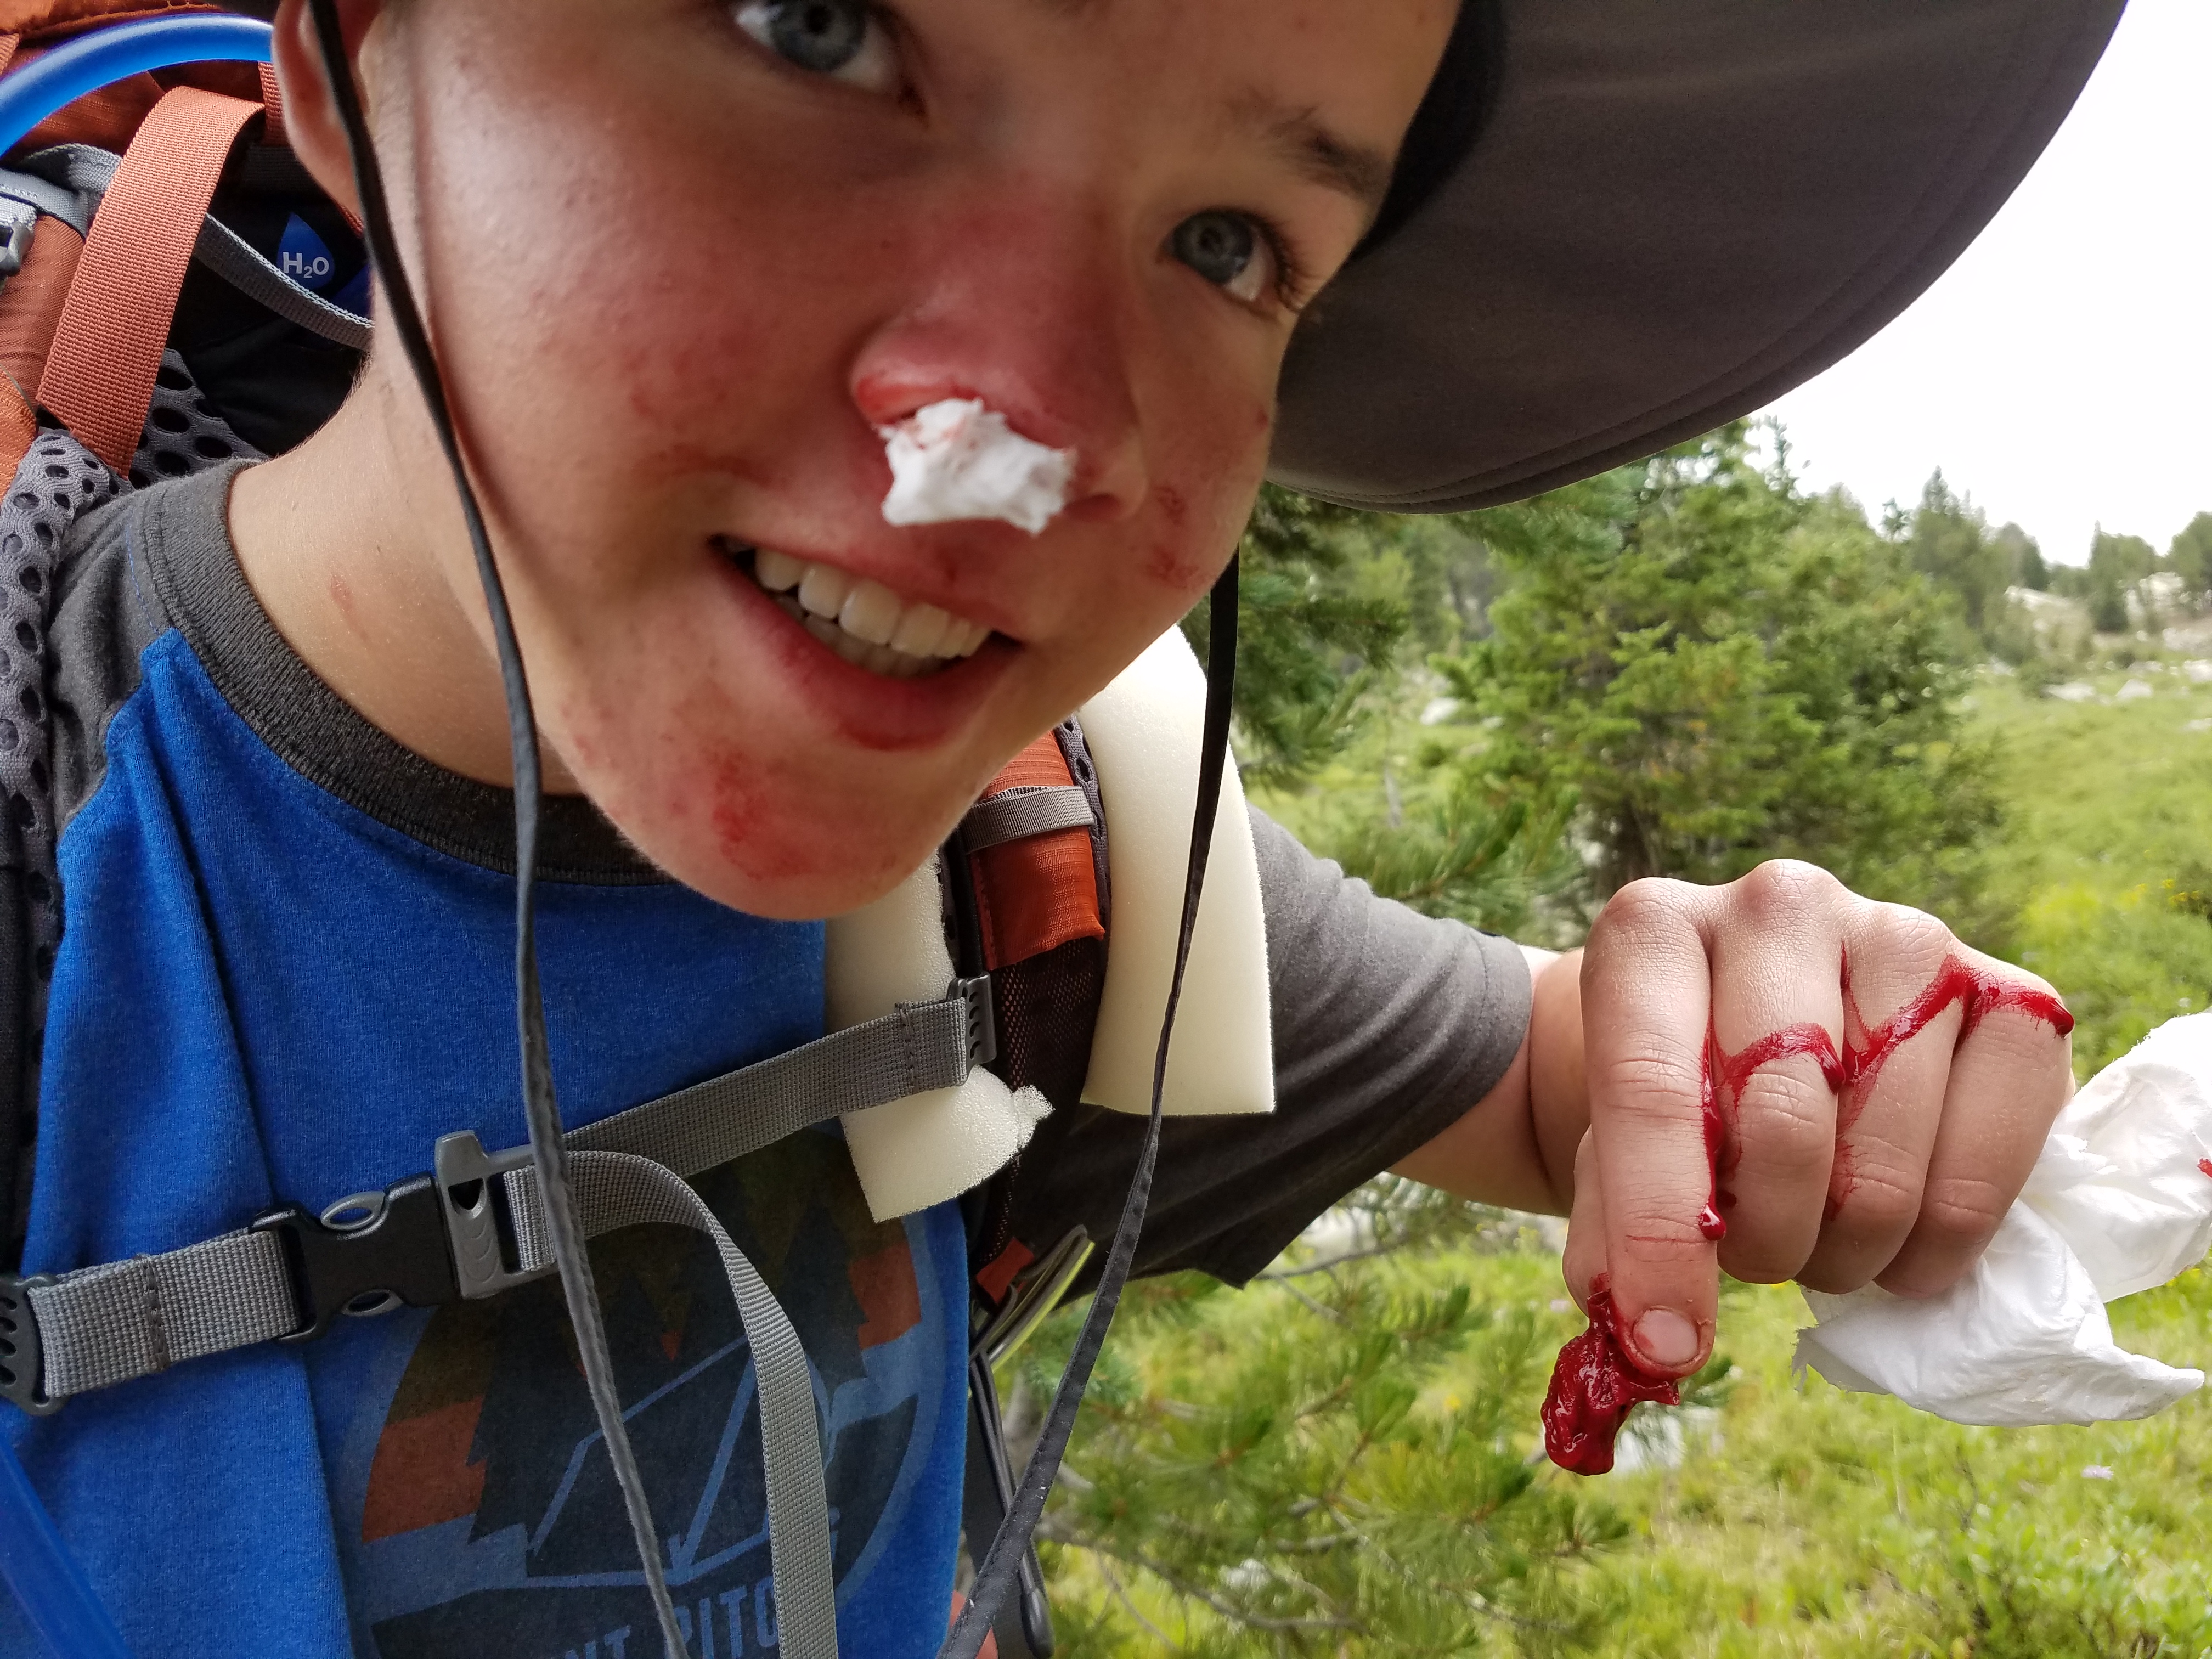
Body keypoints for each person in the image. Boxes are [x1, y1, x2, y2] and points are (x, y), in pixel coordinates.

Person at [0, 0, 2117, 1654]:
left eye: (1230, 244)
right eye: (818, 30)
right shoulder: (62, 815)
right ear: (352, 73)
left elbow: (1574, 1081)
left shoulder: (1056, 858)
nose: (1016, 432)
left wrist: (1756, 1015)